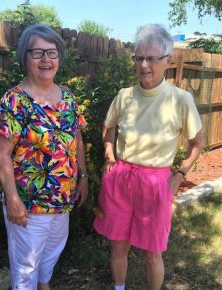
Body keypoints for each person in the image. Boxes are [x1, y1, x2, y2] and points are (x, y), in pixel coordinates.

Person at [93, 23, 205, 290]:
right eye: (139, 58)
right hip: (121, 178)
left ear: (167, 60)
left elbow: (198, 142)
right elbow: (108, 128)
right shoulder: (124, 96)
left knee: (152, 252)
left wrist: (180, 174)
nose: (144, 65)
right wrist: (109, 152)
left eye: (151, 58)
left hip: (156, 184)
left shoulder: (181, 100)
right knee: (117, 246)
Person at [0, 24, 88, 290]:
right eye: (37, 53)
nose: (46, 59)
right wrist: (12, 199)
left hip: (63, 201)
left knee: (51, 254)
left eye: (52, 52)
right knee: (25, 269)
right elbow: (1, 154)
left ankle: (44, 285)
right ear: (25, 57)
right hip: (28, 206)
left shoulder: (68, 97)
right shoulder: (14, 101)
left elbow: (76, 139)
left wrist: (83, 176)